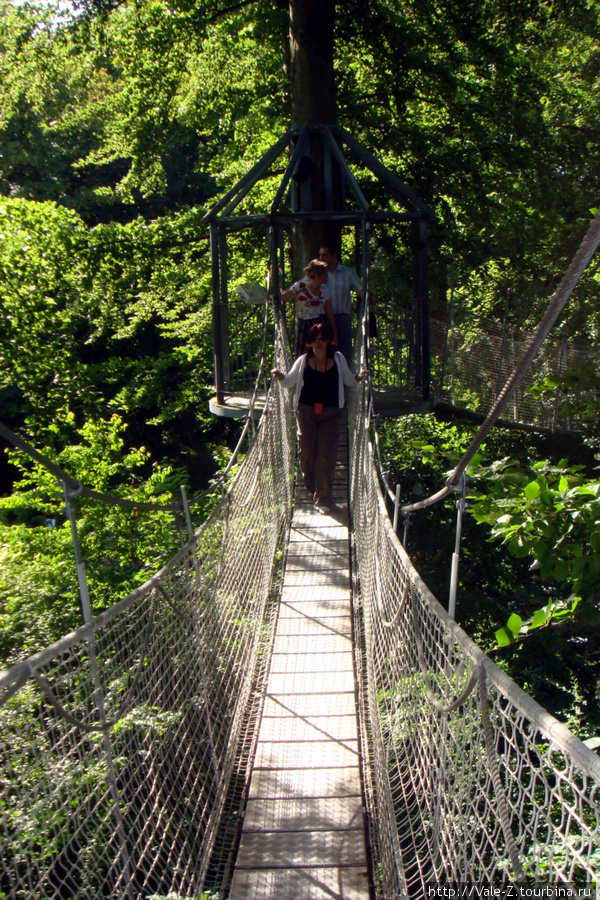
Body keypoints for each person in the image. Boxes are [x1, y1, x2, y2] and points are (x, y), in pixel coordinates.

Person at [272, 321, 368, 515]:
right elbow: (289, 382)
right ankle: (312, 489)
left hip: (331, 414)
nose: (319, 343)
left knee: (325, 456)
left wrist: (359, 377)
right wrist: (280, 375)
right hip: (306, 412)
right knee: (307, 455)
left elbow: (349, 380)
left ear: (328, 341)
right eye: (315, 339)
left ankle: (324, 499)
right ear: (310, 342)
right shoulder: (302, 360)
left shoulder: (338, 359)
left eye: (322, 339)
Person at [279, 258, 338, 356]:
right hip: (305, 324)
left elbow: (329, 311)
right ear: (317, 275)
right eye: (325, 274)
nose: (327, 277)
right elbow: (283, 297)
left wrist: (335, 334)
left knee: (324, 352)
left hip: (321, 323)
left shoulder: (324, 290)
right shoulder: (301, 286)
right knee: (303, 353)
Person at [319, 241, 364, 366]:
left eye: (325, 255)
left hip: (342, 317)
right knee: (324, 352)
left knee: (344, 353)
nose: (321, 259)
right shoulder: (319, 273)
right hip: (323, 318)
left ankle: (344, 384)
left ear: (334, 255)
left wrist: (369, 298)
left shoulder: (347, 272)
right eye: (320, 255)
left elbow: (360, 289)